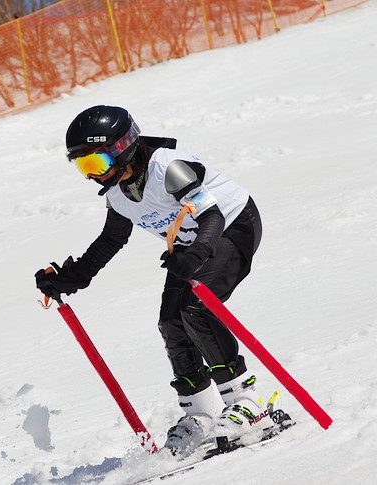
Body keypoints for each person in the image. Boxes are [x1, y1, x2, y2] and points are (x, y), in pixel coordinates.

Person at [35, 105, 287, 455]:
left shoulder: (168, 167)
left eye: (96, 163)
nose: (93, 175)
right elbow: (111, 239)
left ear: (122, 147)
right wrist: (72, 277)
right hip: (188, 244)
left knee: (196, 308)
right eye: (83, 167)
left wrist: (197, 253)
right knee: (170, 320)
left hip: (231, 226)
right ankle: (201, 411)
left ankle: (248, 403)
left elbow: (211, 214)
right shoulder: (117, 193)